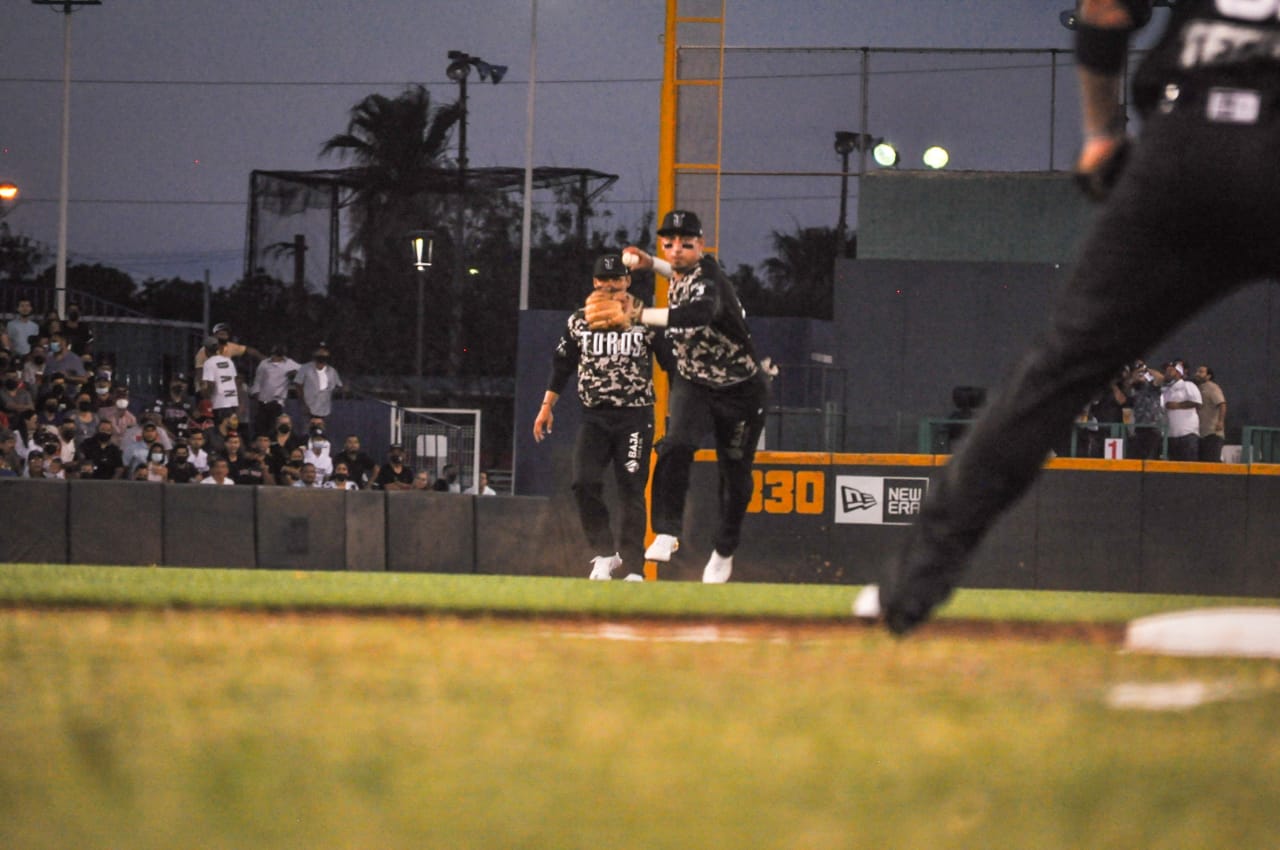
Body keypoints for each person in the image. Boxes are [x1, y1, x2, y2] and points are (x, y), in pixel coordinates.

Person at [881, 0, 1280, 634]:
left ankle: (908, 591)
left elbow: (1105, 8)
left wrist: (1102, 135)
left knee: (1058, 371)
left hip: (1184, 152)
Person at [621, 210, 770, 583]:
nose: (676, 250)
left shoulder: (710, 280)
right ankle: (667, 531)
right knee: (675, 446)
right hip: (695, 383)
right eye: (668, 243)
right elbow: (676, 272)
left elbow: (697, 313)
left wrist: (639, 313)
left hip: (740, 390)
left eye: (685, 244)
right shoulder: (682, 269)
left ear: (701, 245)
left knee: (734, 476)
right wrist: (649, 262)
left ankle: (724, 549)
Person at [533, 253, 660, 581]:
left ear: (627, 281)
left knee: (632, 490)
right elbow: (563, 364)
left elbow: (671, 364)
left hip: (635, 416)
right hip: (595, 417)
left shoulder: (645, 318)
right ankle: (605, 554)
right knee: (583, 482)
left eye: (616, 279)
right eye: (603, 280)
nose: (610, 285)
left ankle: (634, 568)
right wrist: (547, 406)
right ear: (594, 282)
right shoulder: (580, 320)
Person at [249, 344, 299, 438]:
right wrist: (256, 395)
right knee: (260, 429)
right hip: (262, 402)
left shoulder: (289, 363)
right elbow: (258, 381)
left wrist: (295, 373)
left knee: (274, 430)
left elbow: (303, 371)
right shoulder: (264, 363)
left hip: (277, 402)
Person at [1160, 360, 1201, 461]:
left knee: (1188, 466)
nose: (1167, 373)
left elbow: (1197, 402)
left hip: (1187, 433)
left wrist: (1177, 405)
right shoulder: (1166, 390)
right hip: (1171, 435)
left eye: (1170, 370)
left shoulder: (1188, 385)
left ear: (1178, 373)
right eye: (1166, 371)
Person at [293, 344, 343, 425]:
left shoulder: (332, 371)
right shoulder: (305, 368)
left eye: (324, 354)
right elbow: (298, 385)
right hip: (308, 408)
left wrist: (341, 389)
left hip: (324, 410)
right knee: (306, 431)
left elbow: (338, 386)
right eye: (320, 353)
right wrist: (303, 404)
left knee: (321, 431)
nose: (322, 355)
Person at [200, 336, 241, 424]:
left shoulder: (209, 363)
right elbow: (236, 381)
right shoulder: (229, 361)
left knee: (220, 428)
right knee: (231, 428)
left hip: (219, 403)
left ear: (206, 350)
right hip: (233, 401)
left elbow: (211, 385)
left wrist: (205, 395)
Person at [1193, 365, 1226, 463]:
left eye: (1201, 372)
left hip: (1212, 433)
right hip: (1201, 433)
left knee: (1211, 462)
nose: (1197, 374)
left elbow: (1222, 404)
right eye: (1197, 371)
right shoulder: (1197, 388)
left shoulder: (1212, 387)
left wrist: (1220, 421)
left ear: (1208, 376)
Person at [151, 372, 196, 442]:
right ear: (170, 383)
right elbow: (158, 423)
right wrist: (173, 438)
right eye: (177, 381)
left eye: (183, 382)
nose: (180, 384)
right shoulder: (161, 400)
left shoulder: (189, 402)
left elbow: (192, 422)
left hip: (185, 440)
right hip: (166, 439)